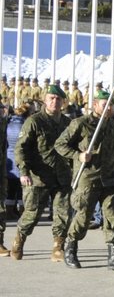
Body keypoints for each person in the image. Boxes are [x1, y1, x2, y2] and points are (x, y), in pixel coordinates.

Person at [53, 89, 114, 270]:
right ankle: (71, 248)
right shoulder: (80, 123)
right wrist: (78, 155)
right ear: (95, 105)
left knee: (111, 217)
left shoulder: (113, 125)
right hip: (88, 177)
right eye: (105, 105)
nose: (109, 109)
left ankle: (113, 255)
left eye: (111, 106)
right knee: (83, 216)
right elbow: (60, 144)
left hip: (110, 177)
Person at [9, 83, 70, 261]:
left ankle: (58, 247)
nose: (55, 102)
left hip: (62, 176)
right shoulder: (34, 121)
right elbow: (21, 149)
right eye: (51, 98)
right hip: (38, 177)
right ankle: (19, 241)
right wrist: (24, 171)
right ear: (45, 100)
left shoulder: (67, 123)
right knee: (32, 214)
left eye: (58, 99)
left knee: (63, 213)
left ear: (63, 102)